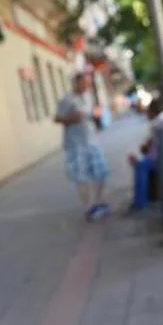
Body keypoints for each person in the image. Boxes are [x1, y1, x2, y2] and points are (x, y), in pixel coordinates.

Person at [55, 72, 111, 220]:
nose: (87, 85)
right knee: (82, 177)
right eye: (84, 83)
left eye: (88, 83)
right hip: (75, 144)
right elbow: (57, 118)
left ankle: (100, 202)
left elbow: (90, 114)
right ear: (77, 83)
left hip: (92, 141)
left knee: (101, 172)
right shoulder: (67, 100)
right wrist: (72, 118)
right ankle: (89, 207)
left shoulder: (88, 97)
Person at [128, 97, 163, 211]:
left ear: (152, 111)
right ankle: (146, 199)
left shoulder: (157, 123)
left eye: (147, 111)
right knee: (141, 163)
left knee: (140, 166)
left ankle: (140, 203)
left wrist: (139, 159)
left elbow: (151, 149)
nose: (146, 114)